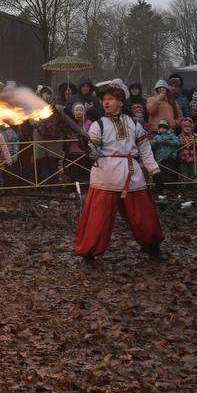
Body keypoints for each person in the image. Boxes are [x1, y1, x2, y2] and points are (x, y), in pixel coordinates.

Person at [73, 80, 164, 262]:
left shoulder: (133, 123)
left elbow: (144, 148)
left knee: (142, 215)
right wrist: (88, 148)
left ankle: (151, 245)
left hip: (132, 175)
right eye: (104, 99)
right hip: (106, 175)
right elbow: (95, 154)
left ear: (120, 102)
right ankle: (88, 252)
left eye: (111, 99)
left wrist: (155, 170)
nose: (106, 102)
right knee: (98, 217)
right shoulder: (98, 125)